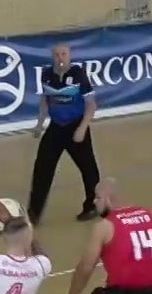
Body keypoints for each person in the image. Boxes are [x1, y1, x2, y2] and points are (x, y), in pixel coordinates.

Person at [64, 178, 152, 294]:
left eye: (97, 197)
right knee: (116, 292)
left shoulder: (104, 227)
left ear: (108, 199)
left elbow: (85, 268)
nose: (94, 202)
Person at [29, 44, 101, 224]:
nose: (60, 58)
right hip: (56, 127)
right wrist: (39, 124)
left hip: (76, 126)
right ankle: (34, 213)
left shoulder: (78, 74)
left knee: (88, 168)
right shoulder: (46, 75)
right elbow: (45, 101)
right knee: (42, 168)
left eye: (64, 54)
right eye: (56, 55)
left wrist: (82, 128)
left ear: (69, 55)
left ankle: (92, 205)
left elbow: (91, 104)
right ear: (52, 57)